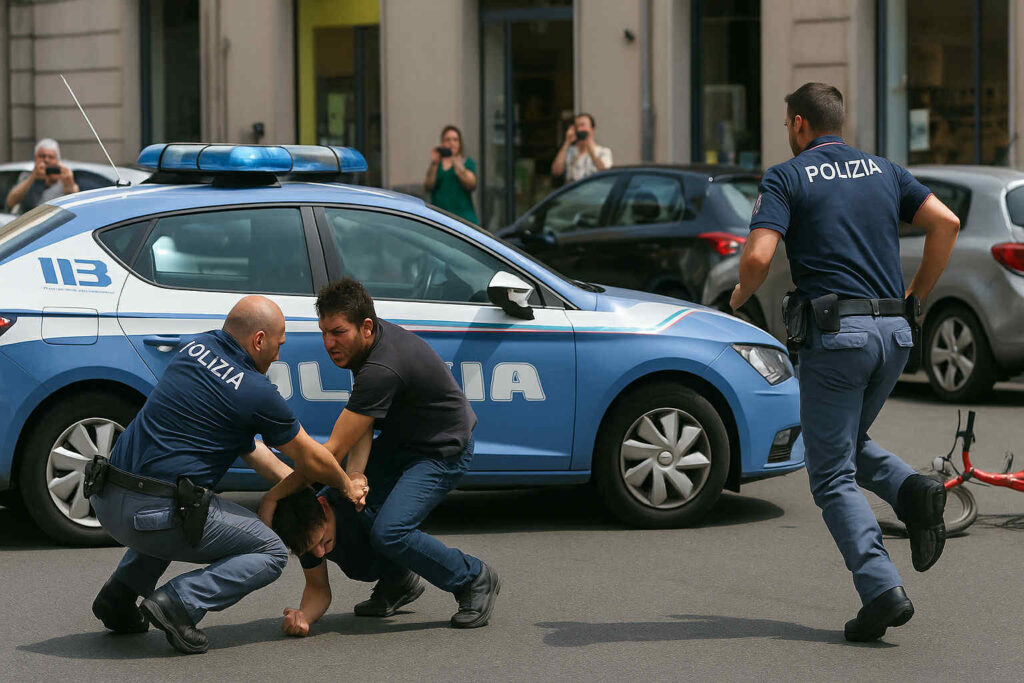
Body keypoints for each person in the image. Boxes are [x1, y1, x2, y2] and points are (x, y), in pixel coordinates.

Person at [730, 83, 960, 642]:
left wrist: (738, 296)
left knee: (830, 472)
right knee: (846, 442)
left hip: (838, 339)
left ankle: (880, 590)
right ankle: (913, 491)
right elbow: (946, 223)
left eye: (788, 123)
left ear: (800, 124)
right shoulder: (884, 170)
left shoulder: (787, 176)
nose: (788, 131)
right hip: (894, 333)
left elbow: (759, 256)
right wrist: (915, 298)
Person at [87, 296, 368, 655]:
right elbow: (311, 456)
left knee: (181, 504)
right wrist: (346, 485)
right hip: (151, 516)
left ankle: (119, 598)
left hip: (107, 499)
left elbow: (257, 454)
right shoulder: (254, 391)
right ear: (259, 340)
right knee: (267, 550)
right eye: (278, 345)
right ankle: (179, 603)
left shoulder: (196, 349)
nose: (278, 356)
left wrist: (290, 492)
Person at [259, 278, 500, 631]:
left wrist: (274, 495)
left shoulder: (382, 367)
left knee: (390, 531)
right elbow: (364, 424)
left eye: (338, 332)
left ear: (366, 326)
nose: (329, 343)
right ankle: (398, 581)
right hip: (402, 443)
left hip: (441, 449)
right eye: (324, 332)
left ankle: (473, 578)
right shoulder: (364, 349)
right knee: (335, 505)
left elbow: (331, 451)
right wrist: (356, 475)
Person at [5, 138, 79, 213]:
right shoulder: (27, 175)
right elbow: (10, 201)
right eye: (42, 156)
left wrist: (69, 183)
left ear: (57, 160)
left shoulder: (64, 176)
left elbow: (75, 196)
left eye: (51, 157)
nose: (46, 160)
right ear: (35, 158)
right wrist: (33, 176)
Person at [424, 125, 479, 224]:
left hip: (464, 220)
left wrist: (458, 165)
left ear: (460, 143)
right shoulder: (437, 165)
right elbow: (428, 186)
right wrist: (434, 164)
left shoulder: (467, 162)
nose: (451, 143)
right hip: (441, 219)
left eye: (455, 140)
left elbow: (471, 184)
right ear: (442, 143)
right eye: (448, 140)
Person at [551, 113, 613, 183]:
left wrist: (590, 149)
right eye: (576, 126)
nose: (579, 129)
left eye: (582, 125)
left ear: (593, 129)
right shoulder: (569, 151)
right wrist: (567, 142)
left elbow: (604, 171)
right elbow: (556, 171)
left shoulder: (603, 152)